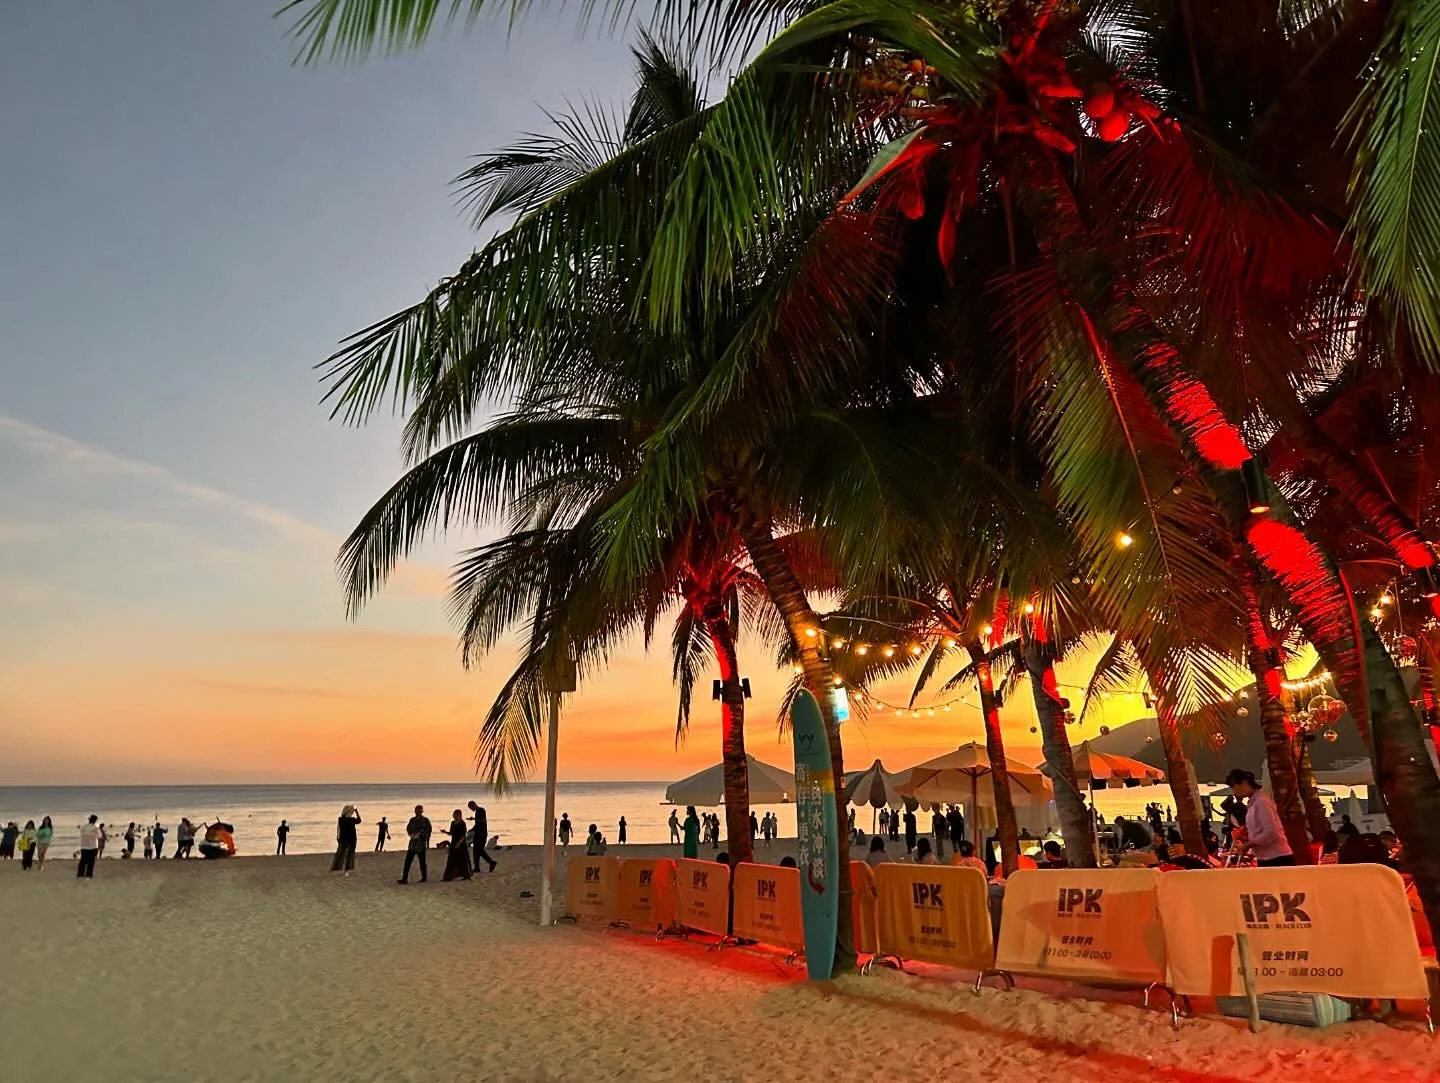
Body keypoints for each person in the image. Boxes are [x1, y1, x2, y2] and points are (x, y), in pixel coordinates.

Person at [1225, 768, 1293, 867]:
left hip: (1277, 858)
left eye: (1234, 787)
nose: (1234, 792)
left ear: (1244, 783)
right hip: (1267, 857)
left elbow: (1271, 833)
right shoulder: (1254, 802)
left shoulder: (1261, 802)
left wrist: (1248, 845)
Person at [399, 804, 432, 884]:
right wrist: (411, 835)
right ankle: (404, 878)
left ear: (422, 811)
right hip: (413, 844)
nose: (418, 812)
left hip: (421, 844)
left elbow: (428, 830)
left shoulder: (425, 820)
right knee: (408, 861)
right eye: (416, 810)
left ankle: (424, 877)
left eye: (419, 810)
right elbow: (408, 829)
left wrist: (421, 836)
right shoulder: (412, 820)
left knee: (422, 862)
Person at [331, 804, 361, 877]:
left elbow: (338, 829)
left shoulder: (342, 819)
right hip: (349, 839)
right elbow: (359, 820)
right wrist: (357, 811)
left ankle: (340, 869)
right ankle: (343, 870)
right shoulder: (350, 820)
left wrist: (338, 837)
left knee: (342, 854)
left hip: (345, 839)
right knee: (346, 854)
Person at [442, 810, 472, 881]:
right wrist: (445, 832)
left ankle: (465, 875)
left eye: (456, 815)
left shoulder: (462, 823)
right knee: (451, 860)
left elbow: (463, 835)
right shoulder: (452, 823)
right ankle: (448, 876)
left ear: (460, 815)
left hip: (461, 844)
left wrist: (458, 844)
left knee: (463, 860)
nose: (455, 816)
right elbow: (451, 833)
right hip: (453, 842)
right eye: (454, 815)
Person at [468, 801, 496, 872]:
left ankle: (491, 862)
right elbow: (477, 824)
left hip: (482, 834)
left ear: (474, 805)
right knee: (475, 850)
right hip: (477, 833)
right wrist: (472, 829)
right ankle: (477, 867)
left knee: (479, 850)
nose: (471, 809)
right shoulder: (476, 812)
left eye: (471, 807)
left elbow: (482, 820)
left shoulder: (481, 810)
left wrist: (474, 819)